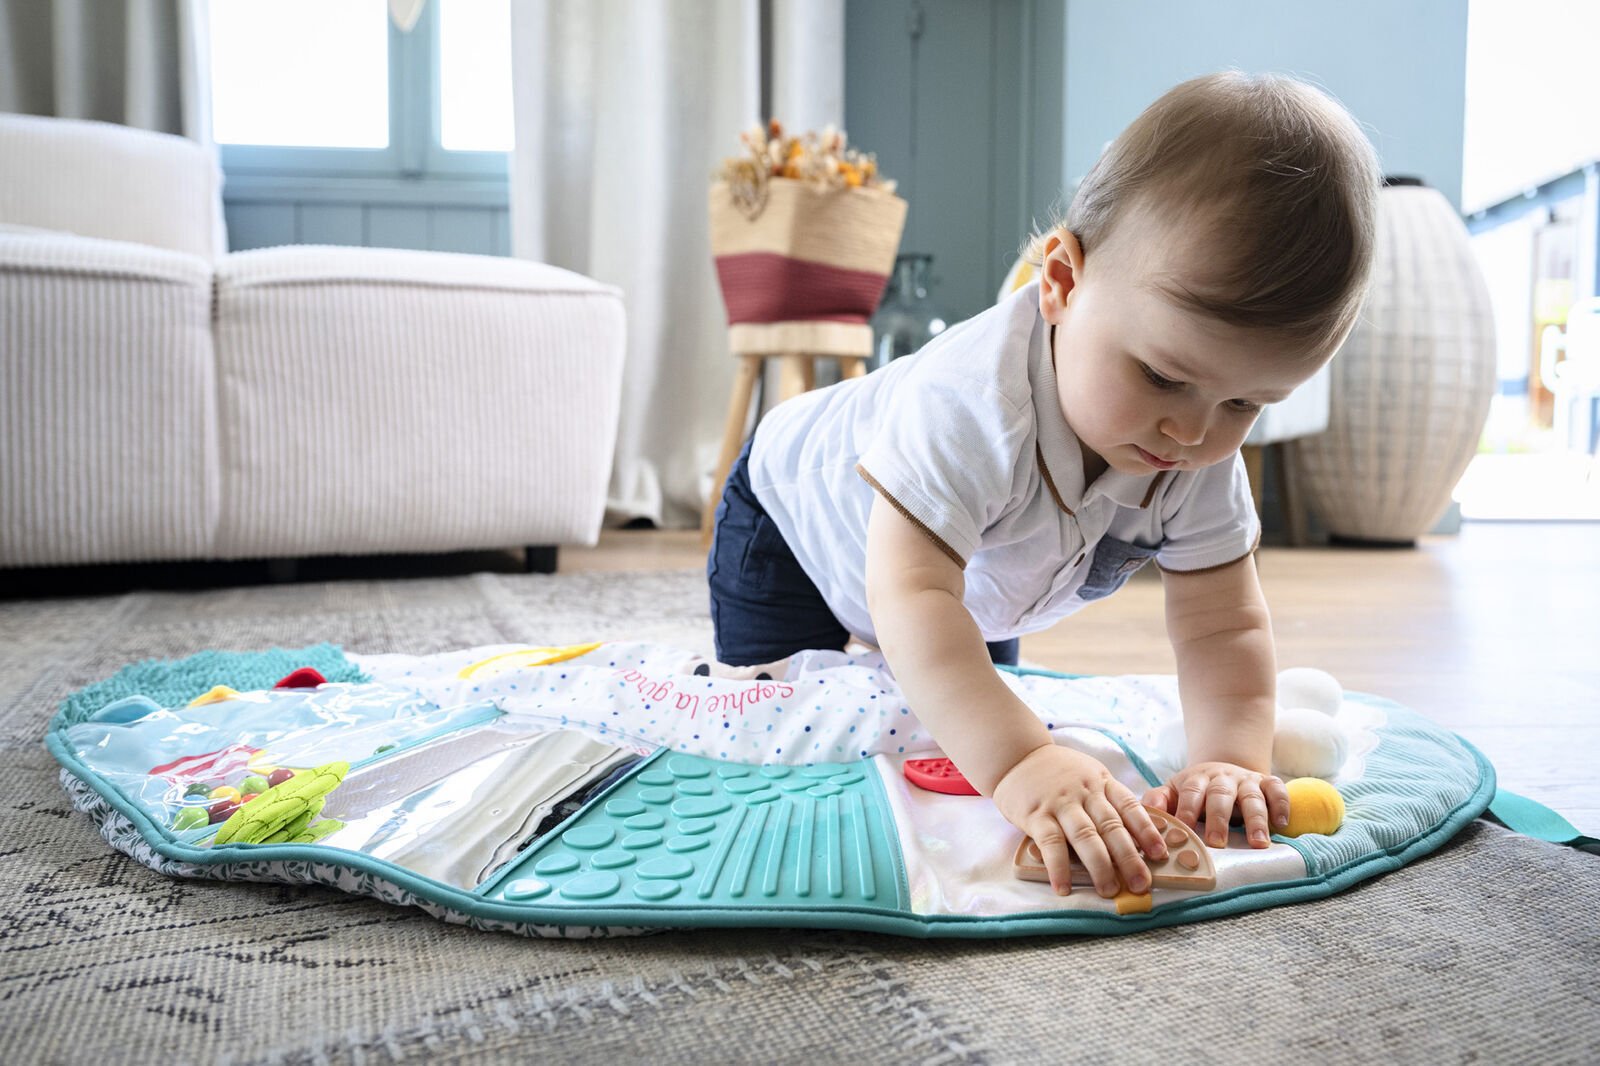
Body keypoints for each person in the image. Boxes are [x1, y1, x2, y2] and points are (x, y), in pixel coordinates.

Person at [705, 70, 1380, 898]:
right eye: (1163, 377)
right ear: (1061, 282)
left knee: (956, 712)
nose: (1194, 432)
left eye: (1246, 401)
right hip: (795, 522)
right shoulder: (972, 404)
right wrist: (1024, 760)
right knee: (783, 735)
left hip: (985, 575)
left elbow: (1223, 626)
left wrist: (1226, 761)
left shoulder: (1196, 450)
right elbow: (914, 597)